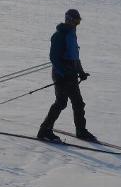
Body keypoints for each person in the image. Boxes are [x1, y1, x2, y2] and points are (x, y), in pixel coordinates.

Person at [37, 8, 97, 143]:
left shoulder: (71, 35)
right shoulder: (59, 35)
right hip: (61, 75)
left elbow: (75, 57)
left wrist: (80, 71)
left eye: (79, 22)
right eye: (75, 21)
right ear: (69, 20)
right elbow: (54, 57)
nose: (77, 24)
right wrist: (63, 73)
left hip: (71, 75)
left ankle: (81, 131)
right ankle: (44, 131)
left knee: (78, 103)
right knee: (61, 103)